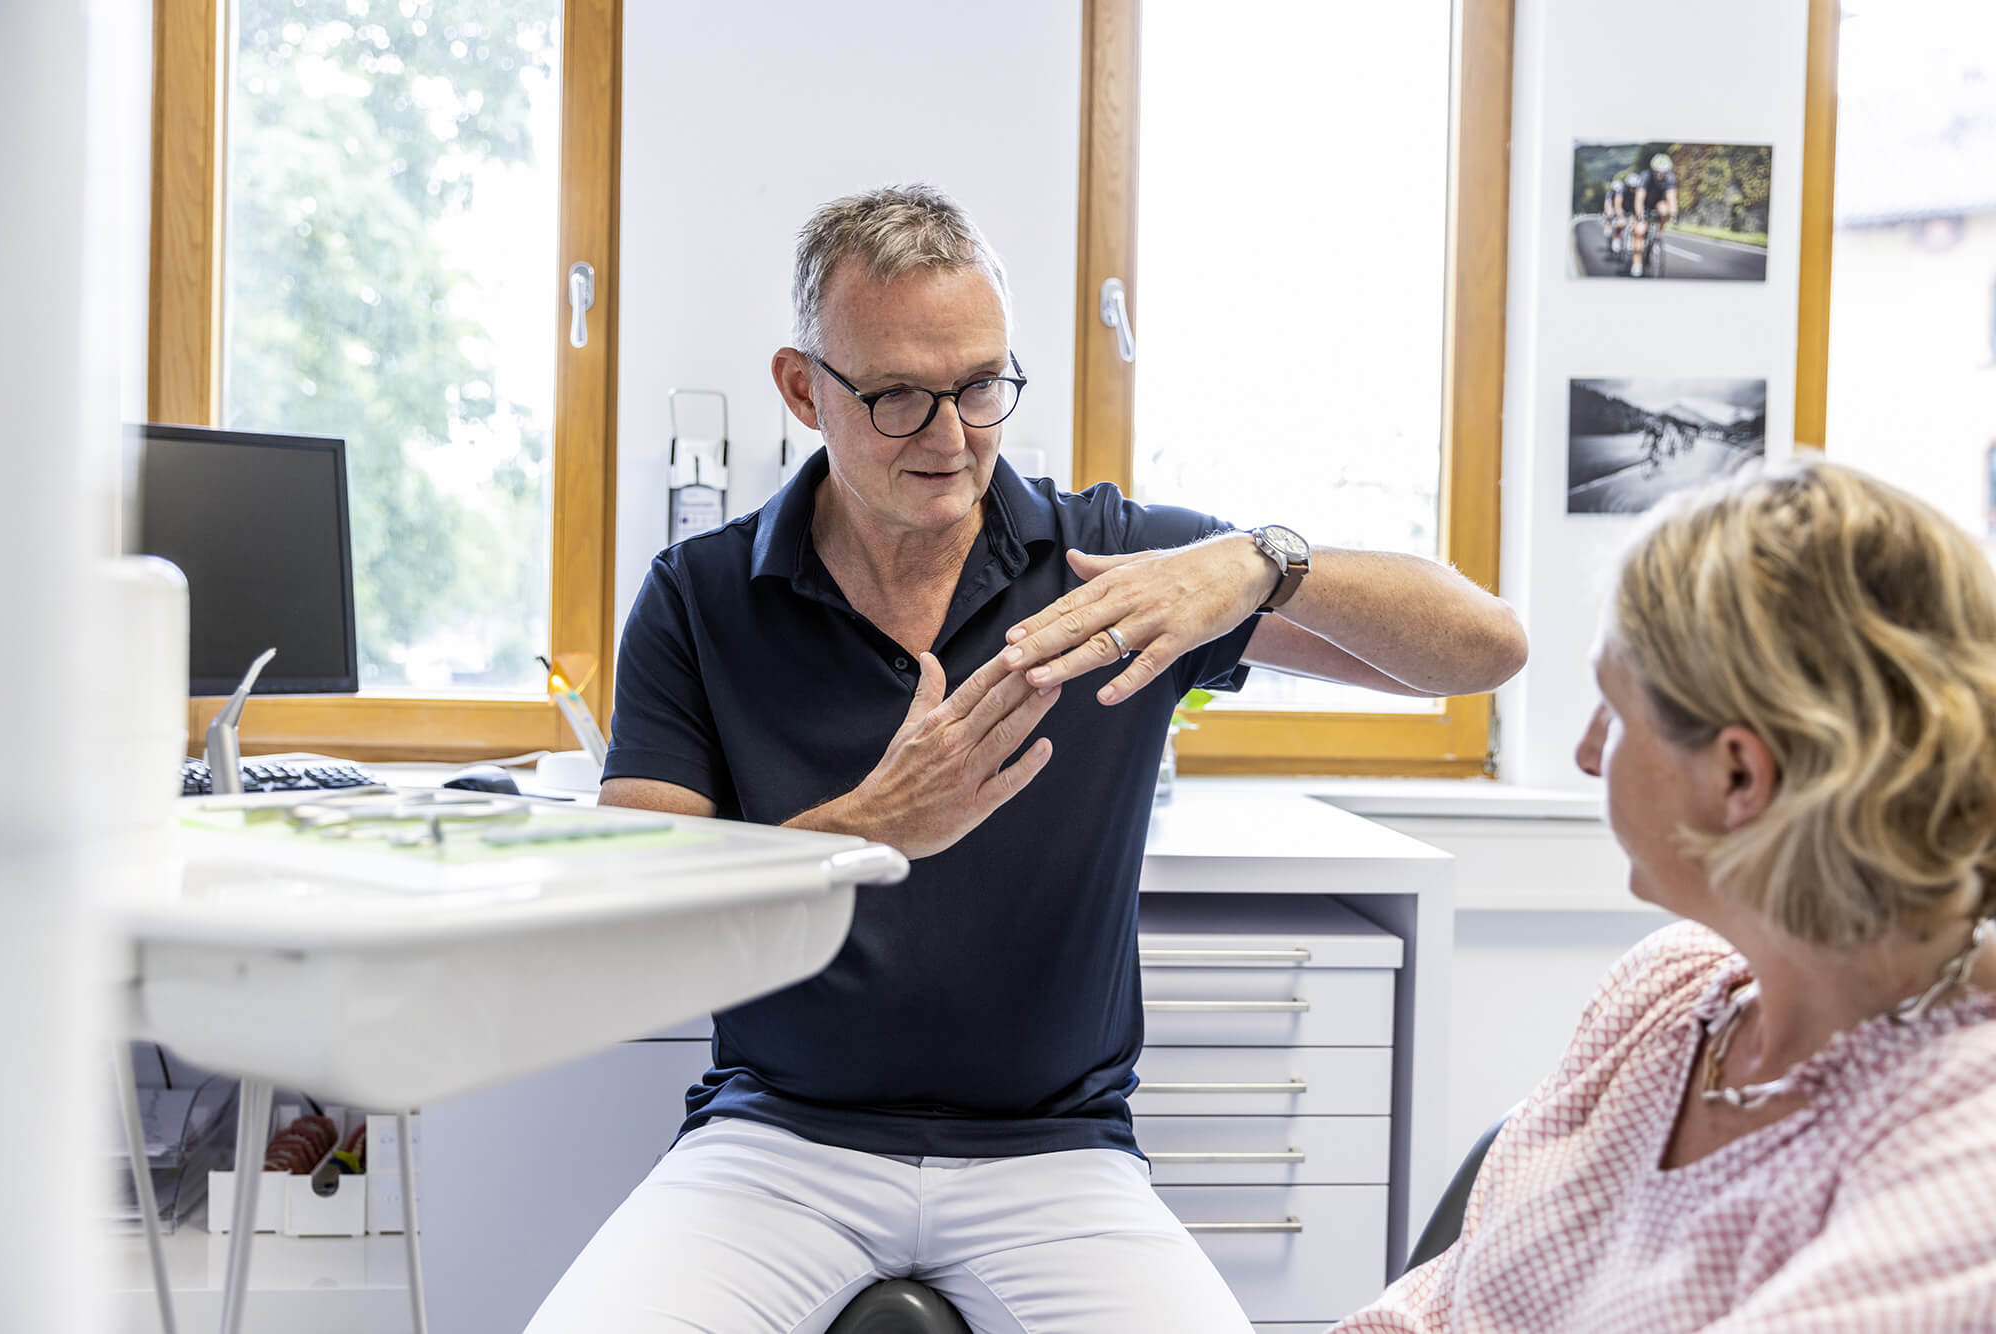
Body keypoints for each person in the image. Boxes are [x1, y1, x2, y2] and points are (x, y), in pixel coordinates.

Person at [526, 184, 1528, 1334]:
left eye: (980, 385)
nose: (952, 437)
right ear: (804, 388)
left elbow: (1484, 647)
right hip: (778, 1140)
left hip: (1054, 1157)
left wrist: (1258, 563)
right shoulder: (699, 595)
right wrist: (869, 826)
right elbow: (635, 918)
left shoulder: (1118, 565)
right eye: (898, 396)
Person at [1341, 457, 1996, 1332]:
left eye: (1612, 709)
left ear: (1738, 773)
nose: (1584, 753)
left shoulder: (1955, 1155)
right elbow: (1443, 1304)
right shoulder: (1666, 995)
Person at [1630, 151, 1679, 278]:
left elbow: (1671, 198)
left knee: (1664, 209)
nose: (1660, 174)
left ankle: (1658, 234)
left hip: (1657, 203)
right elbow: (1639, 198)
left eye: (1663, 172)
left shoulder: (1670, 178)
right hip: (1644, 204)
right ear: (1652, 170)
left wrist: (1673, 215)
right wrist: (1640, 215)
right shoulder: (1645, 176)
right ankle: (1637, 263)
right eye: (1657, 171)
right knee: (1640, 231)